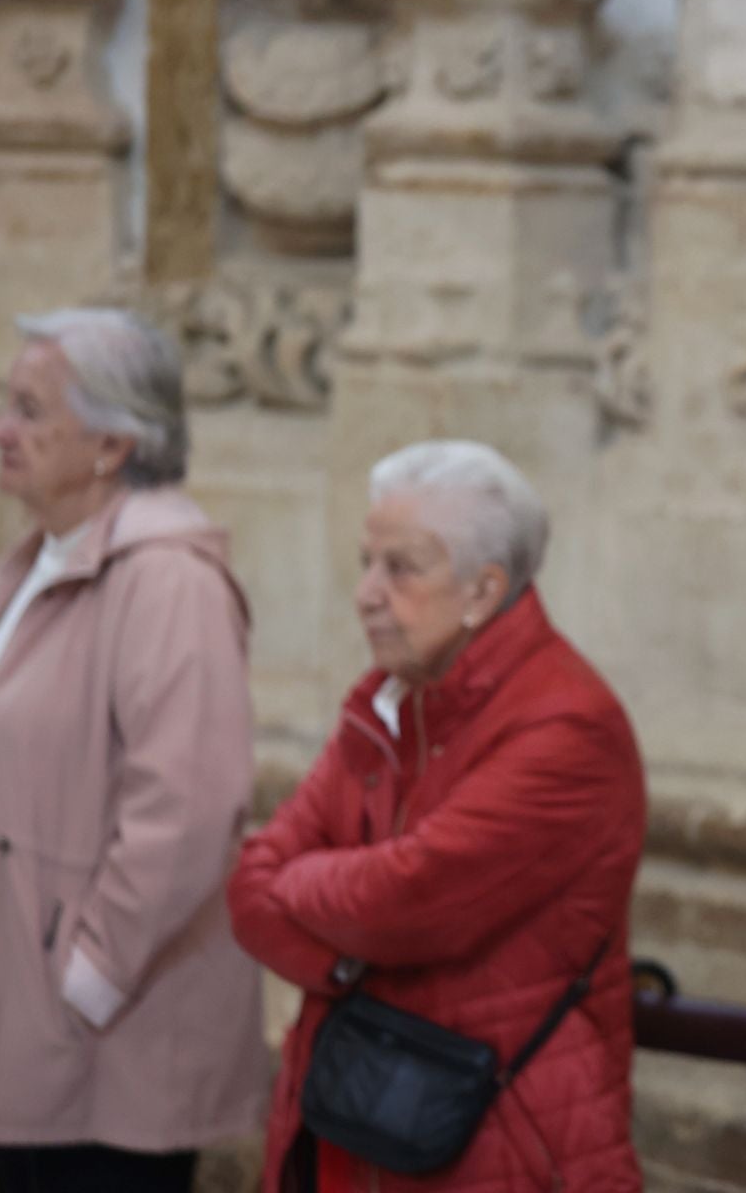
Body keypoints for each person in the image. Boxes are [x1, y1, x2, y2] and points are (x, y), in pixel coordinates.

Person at [228, 440, 646, 1193]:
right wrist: (344, 951)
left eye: (400, 568)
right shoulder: (387, 701)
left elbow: (407, 900)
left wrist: (318, 898)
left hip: (496, 1141)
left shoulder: (567, 727)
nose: (364, 593)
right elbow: (249, 888)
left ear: (484, 592)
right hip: (354, 1121)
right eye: (365, 562)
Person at [0, 310, 269, 1192]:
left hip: (107, 1028)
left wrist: (87, 979)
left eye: (30, 411)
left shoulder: (169, 582)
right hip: (22, 1013)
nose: (1, 429)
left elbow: (186, 809)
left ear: (112, 445)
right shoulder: (36, 559)